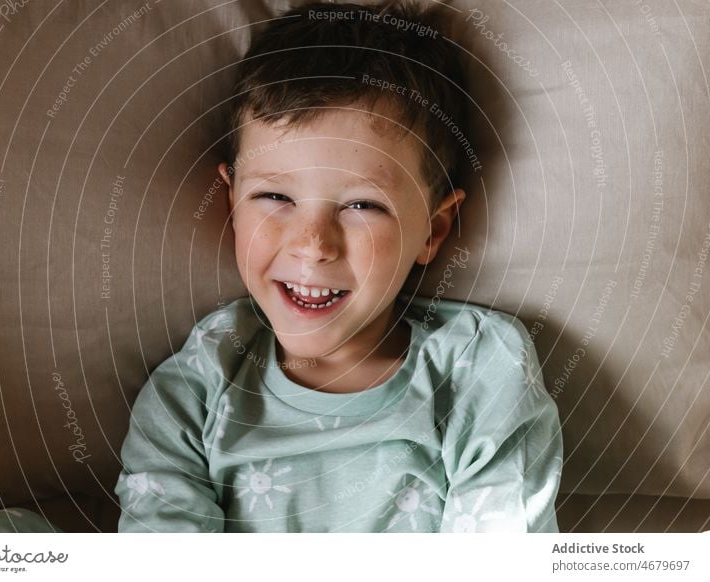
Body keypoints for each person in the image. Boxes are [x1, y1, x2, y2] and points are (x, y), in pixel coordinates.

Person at [113, 0, 562, 533]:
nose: (312, 245)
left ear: (434, 231)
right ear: (231, 202)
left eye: (362, 205)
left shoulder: (476, 367)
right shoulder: (197, 385)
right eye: (275, 195)